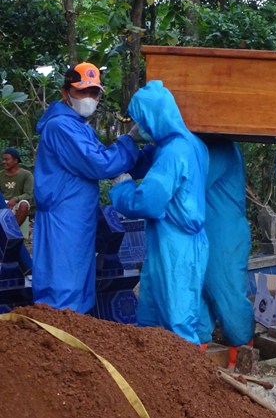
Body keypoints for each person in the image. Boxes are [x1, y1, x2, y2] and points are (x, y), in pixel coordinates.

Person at [32, 62, 140, 313]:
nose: (89, 98)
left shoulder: (78, 126)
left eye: (94, 92)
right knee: (62, 293)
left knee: (77, 292)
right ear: (65, 92)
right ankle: (57, 347)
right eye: (82, 92)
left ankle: (69, 348)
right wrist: (130, 141)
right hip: (63, 219)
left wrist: (141, 156)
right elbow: (99, 164)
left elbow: (102, 157)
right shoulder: (61, 126)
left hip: (76, 219)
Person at [109, 80, 209, 345]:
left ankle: (188, 384)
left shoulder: (174, 153)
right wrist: (129, 144)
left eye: (141, 120)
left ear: (154, 117)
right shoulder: (188, 144)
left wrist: (123, 187)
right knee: (151, 318)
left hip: (176, 246)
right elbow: (150, 161)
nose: (139, 126)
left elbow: (148, 202)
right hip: (169, 241)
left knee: (178, 325)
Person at [196, 139, 254, 365]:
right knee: (200, 296)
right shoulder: (210, 148)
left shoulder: (220, 149)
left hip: (224, 237)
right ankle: (196, 359)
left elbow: (190, 182)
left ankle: (240, 363)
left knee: (228, 297)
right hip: (209, 233)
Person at [1, 147, 34, 236]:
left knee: (24, 204)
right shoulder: (1, 175)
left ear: (15, 161)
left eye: (7, 159)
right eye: (3, 159)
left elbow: (29, 194)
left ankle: (11, 232)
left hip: (17, 204)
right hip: (3, 204)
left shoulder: (26, 175)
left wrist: (16, 199)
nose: (4, 162)